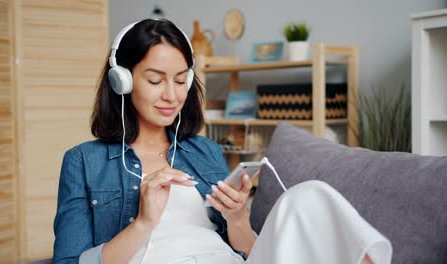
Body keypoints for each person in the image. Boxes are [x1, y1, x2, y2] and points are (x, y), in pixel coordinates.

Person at [52, 19, 392, 264]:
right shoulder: (84, 162)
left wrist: (237, 218)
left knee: (310, 195)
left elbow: (247, 250)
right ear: (121, 81)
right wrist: (144, 223)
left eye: (181, 80)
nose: (172, 95)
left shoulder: (205, 151)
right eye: (155, 80)